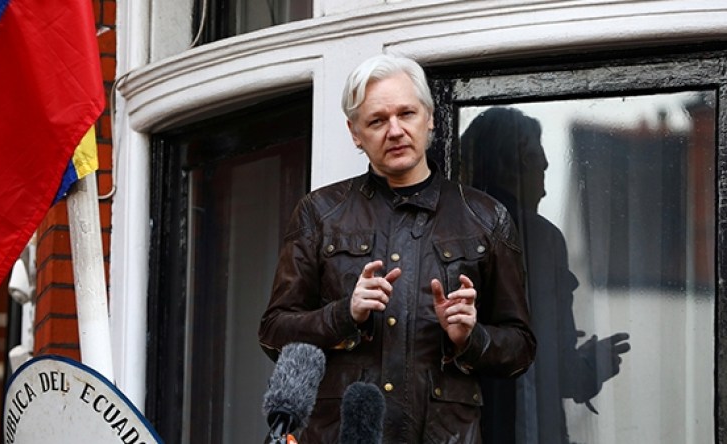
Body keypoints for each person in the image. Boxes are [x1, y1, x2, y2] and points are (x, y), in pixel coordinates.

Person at [258, 55, 536, 443]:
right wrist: (344, 314)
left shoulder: (486, 217)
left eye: (406, 113)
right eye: (377, 121)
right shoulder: (320, 212)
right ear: (355, 132)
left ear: (430, 118)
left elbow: (520, 349)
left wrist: (468, 336)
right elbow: (273, 333)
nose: (395, 130)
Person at [460, 107, 631, 444]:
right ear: (514, 165)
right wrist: (593, 364)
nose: (544, 189)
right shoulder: (538, 239)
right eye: (538, 165)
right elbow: (558, 370)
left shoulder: (449, 231)